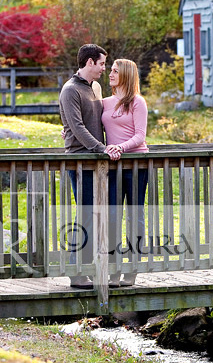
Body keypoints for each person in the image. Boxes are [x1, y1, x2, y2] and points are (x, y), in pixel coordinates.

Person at [58, 44, 122, 289]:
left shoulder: (95, 87)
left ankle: (95, 268)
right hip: (81, 160)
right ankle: (76, 272)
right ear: (90, 63)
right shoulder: (70, 90)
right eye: (102, 64)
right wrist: (102, 148)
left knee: (99, 216)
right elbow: (76, 128)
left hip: (97, 160)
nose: (105, 69)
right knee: (85, 215)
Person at [102, 59, 148, 287]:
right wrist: (69, 132)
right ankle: (113, 269)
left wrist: (121, 147)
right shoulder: (104, 102)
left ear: (126, 75)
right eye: (109, 70)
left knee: (135, 217)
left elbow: (140, 135)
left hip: (136, 165)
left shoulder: (137, 102)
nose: (110, 74)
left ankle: (133, 268)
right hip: (112, 166)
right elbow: (90, 126)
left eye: (115, 71)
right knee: (112, 217)